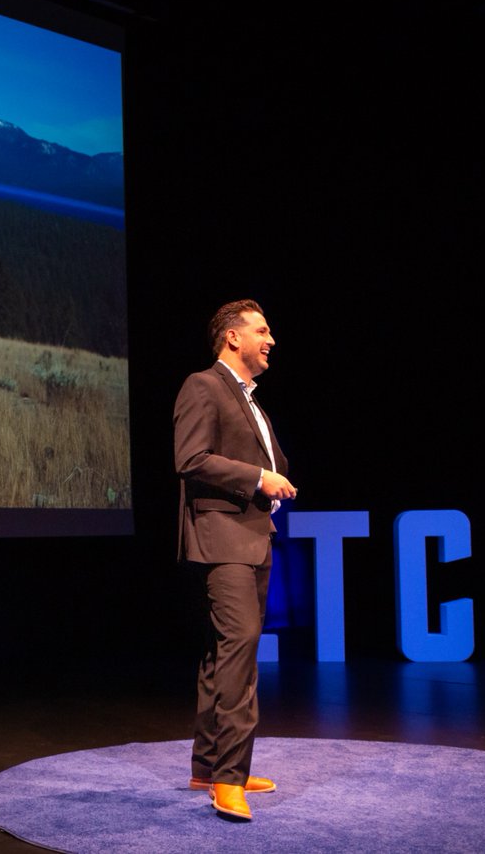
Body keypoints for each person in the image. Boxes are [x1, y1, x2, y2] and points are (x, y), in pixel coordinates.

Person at [173, 299, 297, 821]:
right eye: (262, 330)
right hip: (222, 542)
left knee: (219, 656)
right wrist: (257, 478)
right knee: (240, 652)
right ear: (233, 338)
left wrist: (274, 477)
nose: (271, 339)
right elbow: (191, 458)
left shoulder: (250, 401)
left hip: (252, 538)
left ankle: (208, 765)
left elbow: (266, 462)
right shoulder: (204, 385)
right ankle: (229, 779)